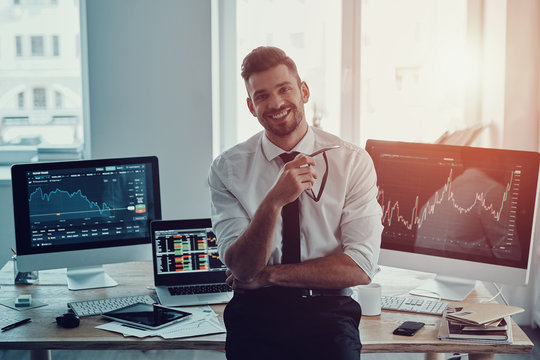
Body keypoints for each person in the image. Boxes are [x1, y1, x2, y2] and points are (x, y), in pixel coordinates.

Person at [208, 46, 383, 360]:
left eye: (284, 89)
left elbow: (360, 266)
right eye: (261, 96)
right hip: (254, 313)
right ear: (251, 106)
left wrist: (269, 275)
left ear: (303, 91)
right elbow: (242, 267)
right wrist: (274, 200)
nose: (275, 103)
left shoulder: (352, 161)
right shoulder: (227, 169)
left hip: (329, 311)